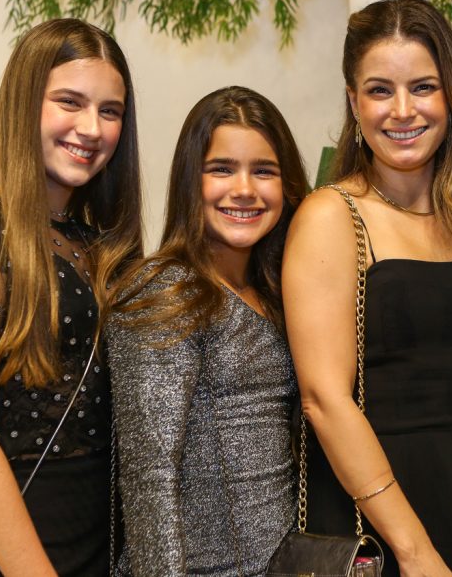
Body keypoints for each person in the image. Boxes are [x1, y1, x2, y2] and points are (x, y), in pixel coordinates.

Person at [283, 0, 452, 577]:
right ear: (353, 102)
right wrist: (415, 553)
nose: (402, 110)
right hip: (380, 514)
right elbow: (324, 400)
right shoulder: (332, 216)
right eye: (379, 90)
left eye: (422, 87)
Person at [0, 18, 144, 576]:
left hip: (107, 550)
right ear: (24, 104)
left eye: (109, 111)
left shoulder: (100, 246)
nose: (91, 127)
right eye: (70, 102)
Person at [105, 86, 309, 576]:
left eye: (264, 170)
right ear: (189, 181)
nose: (244, 189)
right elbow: (148, 474)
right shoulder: (164, 292)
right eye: (221, 169)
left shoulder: (278, 292)